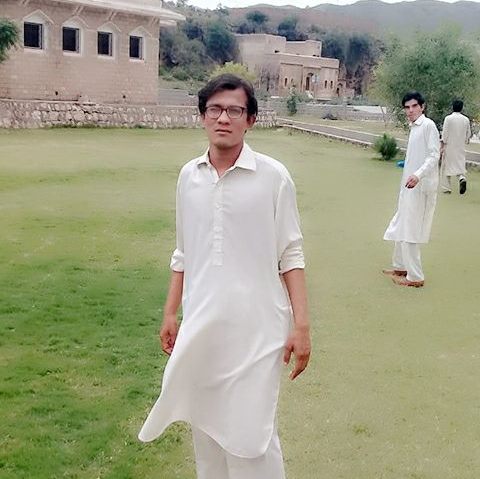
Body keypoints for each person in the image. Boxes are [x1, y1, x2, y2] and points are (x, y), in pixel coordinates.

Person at [138, 74, 311, 479]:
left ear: (250, 120)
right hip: (203, 324)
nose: (223, 118)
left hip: (258, 328)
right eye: (215, 109)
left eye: (235, 110)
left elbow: (291, 254)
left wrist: (301, 326)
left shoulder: (273, 177)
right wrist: (170, 313)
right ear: (202, 116)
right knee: (206, 428)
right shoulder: (189, 176)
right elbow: (183, 252)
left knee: (252, 436)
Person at [383, 91, 440, 288]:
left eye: (414, 106)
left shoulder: (428, 125)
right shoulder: (414, 127)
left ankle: (415, 276)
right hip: (408, 187)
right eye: (407, 107)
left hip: (420, 188)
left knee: (411, 229)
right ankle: (400, 267)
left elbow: (434, 155)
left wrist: (418, 175)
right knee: (402, 223)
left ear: (422, 107)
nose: (410, 110)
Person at [440, 100, 471, 195]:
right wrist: (466, 141)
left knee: (446, 166)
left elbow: (445, 133)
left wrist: (442, 144)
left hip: (449, 146)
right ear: (461, 108)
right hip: (460, 146)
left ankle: (447, 187)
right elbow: (468, 134)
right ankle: (462, 178)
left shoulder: (448, 118)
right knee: (459, 165)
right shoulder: (466, 119)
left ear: (452, 107)